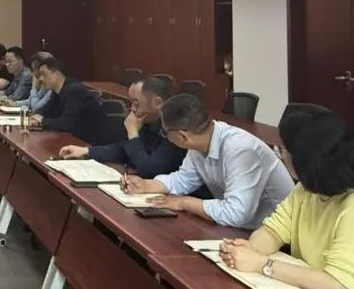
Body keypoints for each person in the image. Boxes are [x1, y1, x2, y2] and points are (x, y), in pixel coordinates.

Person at [219, 108, 354, 289]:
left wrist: (262, 264)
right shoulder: (306, 190)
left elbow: (338, 286)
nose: (281, 155)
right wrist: (250, 249)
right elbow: (273, 231)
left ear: (304, 162)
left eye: (283, 150)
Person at [122, 94, 294, 228]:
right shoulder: (201, 141)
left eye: (165, 133)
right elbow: (183, 179)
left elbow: (236, 213)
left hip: (278, 237)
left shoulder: (241, 150)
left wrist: (185, 202)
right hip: (241, 228)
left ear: (182, 136)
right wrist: (147, 185)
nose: (165, 137)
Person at [58, 76, 185, 178]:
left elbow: (149, 170)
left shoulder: (176, 127)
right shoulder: (148, 120)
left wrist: (133, 132)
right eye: (131, 102)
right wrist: (87, 151)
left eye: (136, 103)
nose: (132, 109)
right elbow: (123, 149)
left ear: (157, 103)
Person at [29, 56, 103, 141]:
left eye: (44, 74)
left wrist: (42, 121)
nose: (40, 79)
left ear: (56, 74)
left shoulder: (74, 90)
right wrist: (33, 117)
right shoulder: (56, 90)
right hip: (71, 137)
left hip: (87, 141)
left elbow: (67, 123)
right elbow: (46, 110)